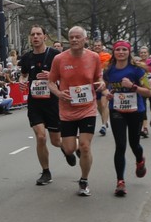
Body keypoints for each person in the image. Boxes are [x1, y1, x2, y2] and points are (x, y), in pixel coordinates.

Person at [48, 26, 104, 197]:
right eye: (71, 37)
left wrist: (102, 84)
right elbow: (51, 82)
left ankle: (84, 180)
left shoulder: (94, 57)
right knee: (69, 148)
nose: (73, 40)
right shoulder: (59, 59)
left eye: (77, 37)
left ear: (85, 39)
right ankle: (72, 150)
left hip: (88, 108)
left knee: (85, 146)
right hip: (67, 110)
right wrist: (59, 93)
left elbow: (99, 78)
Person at [103, 41, 151, 197]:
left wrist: (133, 86)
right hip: (117, 111)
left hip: (135, 111)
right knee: (120, 146)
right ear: (114, 52)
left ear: (129, 52)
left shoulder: (137, 70)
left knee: (134, 144)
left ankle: (140, 160)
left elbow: (149, 92)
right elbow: (105, 87)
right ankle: (120, 182)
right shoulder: (109, 70)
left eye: (124, 49)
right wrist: (107, 94)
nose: (121, 52)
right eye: (118, 49)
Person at [19, 24, 62, 186]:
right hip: (35, 103)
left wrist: (52, 76)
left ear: (45, 36)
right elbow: (23, 75)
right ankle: (46, 171)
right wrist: (22, 82)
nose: (35, 37)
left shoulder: (55, 55)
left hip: (52, 102)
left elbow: (66, 75)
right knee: (41, 136)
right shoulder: (27, 57)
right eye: (33, 34)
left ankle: (70, 149)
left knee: (56, 141)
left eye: (38, 34)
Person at [92, 38, 113, 136]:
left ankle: (103, 125)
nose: (97, 47)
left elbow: (112, 66)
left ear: (102, 46)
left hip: (105, 83)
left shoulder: (107, 56)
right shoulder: (90, 56)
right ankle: (104, 119)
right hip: (95, 83)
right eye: (95, 45)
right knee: (99, 105)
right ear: (93, 47)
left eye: (99, 45)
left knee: (104, 104)